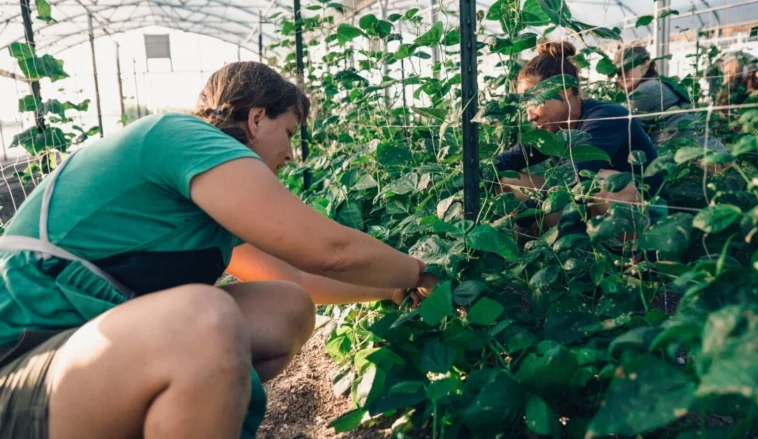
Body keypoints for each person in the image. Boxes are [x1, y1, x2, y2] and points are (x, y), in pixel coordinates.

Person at [0, 61, 438, 439]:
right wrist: (419, 271)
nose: (290, 154)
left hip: (84, 351)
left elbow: (296, 277)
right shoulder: (179, 137)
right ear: (257, 119)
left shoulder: (203, 196)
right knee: (204, 319)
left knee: (283, 307)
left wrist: (393, 289)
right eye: (288, 132)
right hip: (20, 359)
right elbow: (329, 250)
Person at [491, 41, 666, 235]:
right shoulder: (552, 126)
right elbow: (506, 160)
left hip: (647, 215)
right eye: (526, 105)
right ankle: (558, 243)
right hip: (585, 211)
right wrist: (472, 176)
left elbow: (575, 175)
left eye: (535, 102)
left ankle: (633, 251)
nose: (530, 116)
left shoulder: (606, 117)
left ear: (563, 90)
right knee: (505, 178)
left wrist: (522, 218)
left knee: (605, 181)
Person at [612, 44, 726, 152]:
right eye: (618, 73)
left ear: (645, 64)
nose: (621, 76)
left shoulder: (646, 90)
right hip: (711, 153)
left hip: (698, 159)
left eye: (626, 68)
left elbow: (615, 130)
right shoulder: (661, 84)